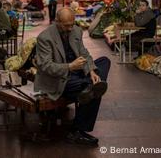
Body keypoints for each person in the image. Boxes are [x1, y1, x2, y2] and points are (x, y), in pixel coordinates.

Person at [35, 8, 111, 146]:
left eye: (72, 24)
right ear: (57, 22)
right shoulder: (45, 38)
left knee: (104, 61)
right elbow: (45, 67)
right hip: (59, 79)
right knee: (92, 89)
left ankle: (90, 85)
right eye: (66, 25)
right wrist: (70, 67)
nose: (70, 28)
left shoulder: (76, 30)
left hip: (77, 72)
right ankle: (77, 130)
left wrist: (91, 71)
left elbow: (84, 53)